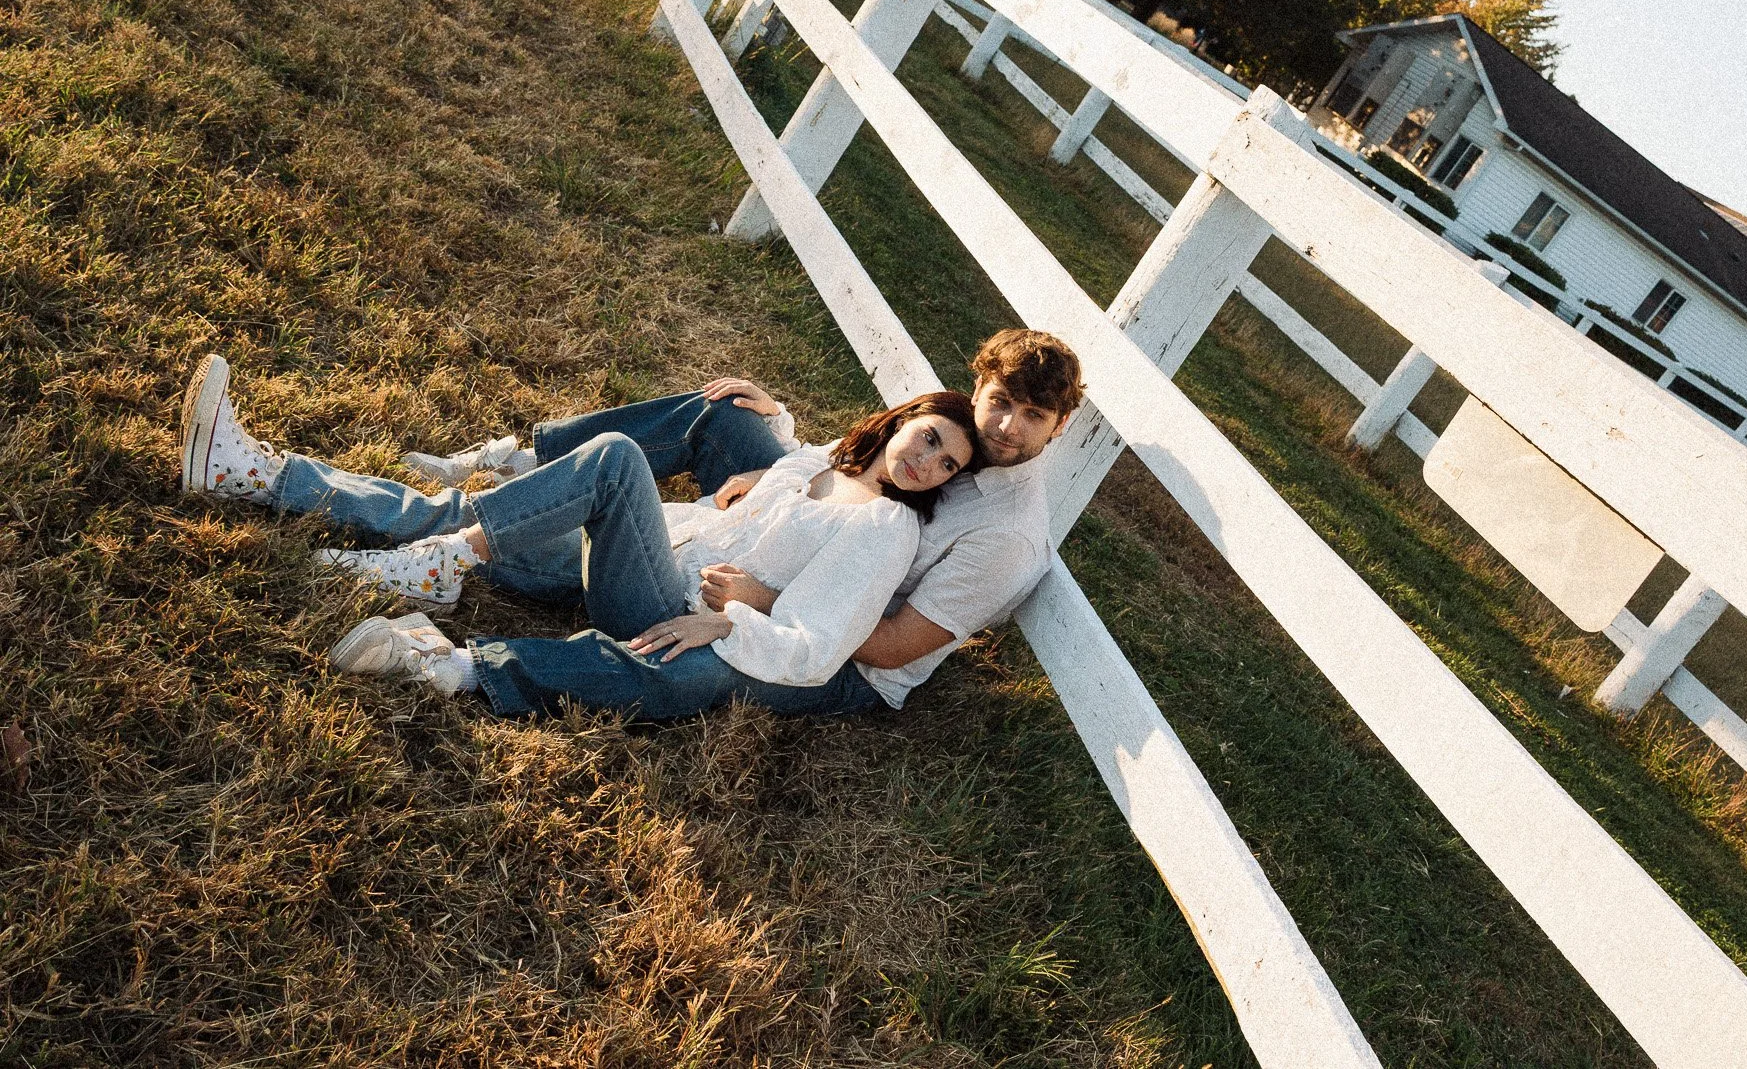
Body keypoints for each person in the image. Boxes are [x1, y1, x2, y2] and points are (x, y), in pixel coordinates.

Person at [179, 328, 1086, 716]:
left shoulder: (993, 530)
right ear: (971, 390)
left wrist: (744, 607)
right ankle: (258, 473)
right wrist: (774, 448)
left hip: (823, 650)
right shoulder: (864, 462)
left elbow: (871, 643)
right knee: (518, 520)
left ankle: (453, 650)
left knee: (683, 659)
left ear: (1057, 428)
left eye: (1028, 419)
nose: (1002, 428)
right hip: (707, 557)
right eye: (994, 403)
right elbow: (815, 481)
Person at [325, 391, 979, 719]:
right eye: (927, 438)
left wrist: (730, 620)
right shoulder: (828, 458)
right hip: (658, 545)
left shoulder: (888, 526)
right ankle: (288, 482)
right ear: (903, 417)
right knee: (507, 520)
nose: (926, 464)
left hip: (670, 603)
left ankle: (445, 590)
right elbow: (778, 482)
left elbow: (818, 640)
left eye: (945, 463)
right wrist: (776, 426)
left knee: (614, 461)